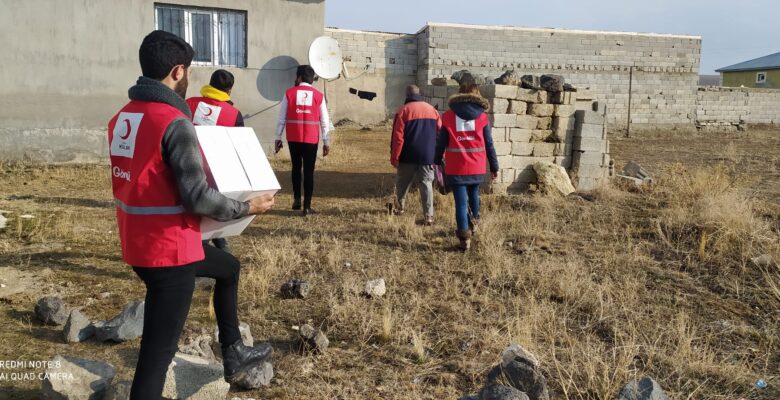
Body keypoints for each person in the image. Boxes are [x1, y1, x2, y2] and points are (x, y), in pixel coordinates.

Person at [107, 31, 275, 399]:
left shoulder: (123, 117)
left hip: (139, 244)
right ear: (178, 71)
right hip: (171, 252)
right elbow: (197, 196)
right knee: (156, 357)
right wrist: (249, 207)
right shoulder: (173, 121)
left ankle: (233, 351)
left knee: (228, 269)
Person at [434, 83, 499, 251]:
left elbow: (441, 142)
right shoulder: (483, 117)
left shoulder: (448, 116)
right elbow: (489, 144)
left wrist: (436, 160)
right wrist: (494, 166)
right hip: (477, 165)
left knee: (461, 203)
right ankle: (474, 224)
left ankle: (464, 239)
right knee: (474, 194)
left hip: (456, 166)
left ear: (459, 95)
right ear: (477, 96)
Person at [186, 69, 244, 252]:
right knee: (214, 211)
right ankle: (211, 252)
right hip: (219, 173)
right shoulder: (234, 114)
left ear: (209, 85)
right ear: (229, 90)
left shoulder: (188, 104)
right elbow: (239, 148)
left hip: (188, 169)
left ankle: (218, 246)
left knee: (197, 212)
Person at [274, 65, 331, 217]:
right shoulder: (319, 96)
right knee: (308, 171)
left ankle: (297, 200)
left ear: (299, 77)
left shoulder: (289, 93)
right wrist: (326, 141)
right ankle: (307, 207)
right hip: (311, 139)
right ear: (312, 79)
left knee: (296, 168)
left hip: (293, 137)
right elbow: (325, 121)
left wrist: (277, 137)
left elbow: (281, 118)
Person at [390, 85, 441, 225]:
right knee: (426, 185)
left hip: (407, 156)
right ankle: (429, 216)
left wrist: (395, 157)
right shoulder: (433, 110)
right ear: (420, 94)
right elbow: (439, 134)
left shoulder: (403, 111)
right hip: (427, 156)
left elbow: (398, 138)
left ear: (407, 95)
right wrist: (436, 153)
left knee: (402, 183)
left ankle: (399, 208)